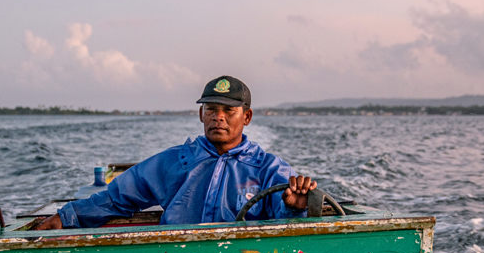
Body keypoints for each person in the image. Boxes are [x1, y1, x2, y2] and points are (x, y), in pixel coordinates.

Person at [35, 75, 316, 230]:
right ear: (200, 114)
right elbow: (117, 197)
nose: (219, 117)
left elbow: (287, 224)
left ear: (247, 117)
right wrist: (67, 217)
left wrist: (295, 205)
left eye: (229, 110)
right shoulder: (173, 161)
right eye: (211, 110)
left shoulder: (269, 169)